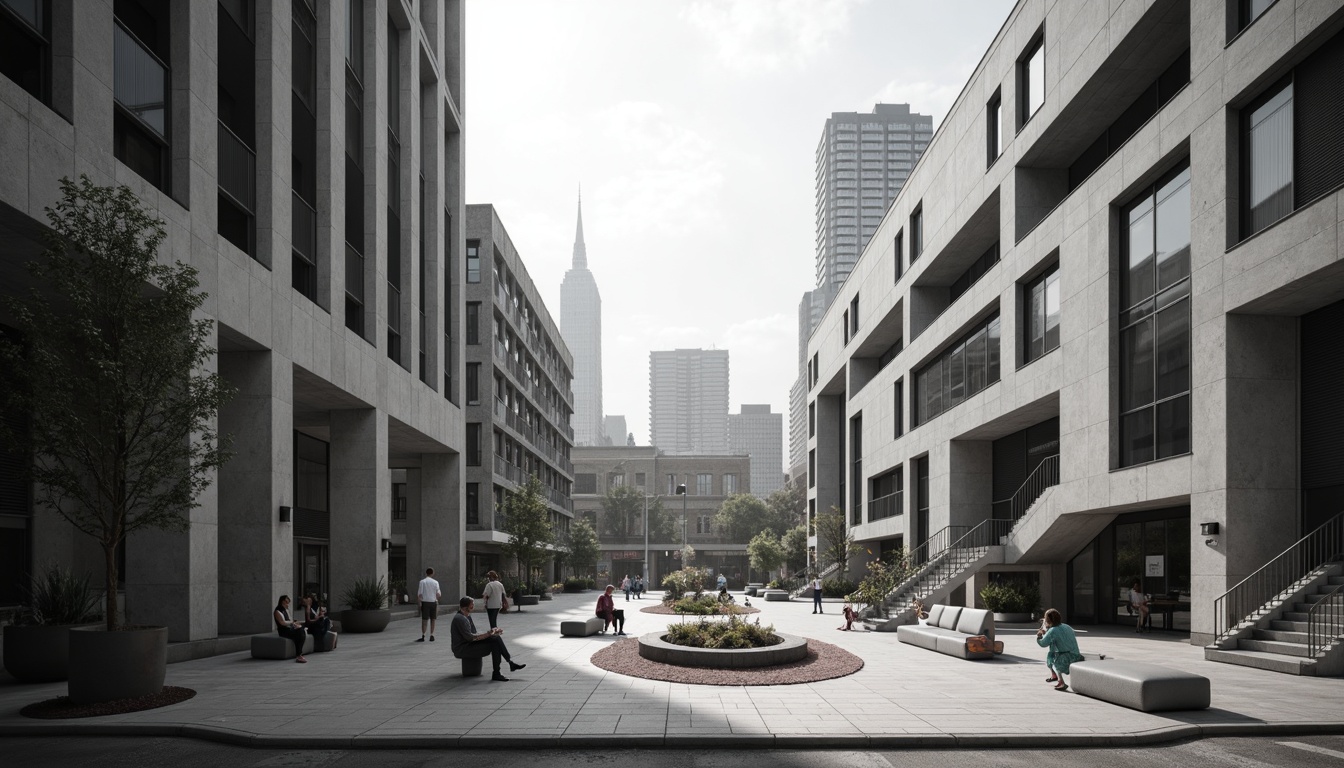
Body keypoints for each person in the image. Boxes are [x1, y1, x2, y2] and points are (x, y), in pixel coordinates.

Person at [450, 597, 525, 682]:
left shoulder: (467, 616)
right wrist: (488, 634)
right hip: (463, 648)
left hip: (468, 644)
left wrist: (491, 633)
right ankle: (499, 671)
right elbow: (470, 637)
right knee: (495, 644)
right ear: (465, 607)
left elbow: (475, 634)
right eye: (472, 604)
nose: (473, 606)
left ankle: (509, 664)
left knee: (495, 638)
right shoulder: (460, 619)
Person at [1036, 608, 1085, 691]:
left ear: (1048, 620)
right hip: (1077, 656)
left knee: (1052, 658)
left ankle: (1061, 682)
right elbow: (1060, 636)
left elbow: (1043, 643)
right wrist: (1048, 632)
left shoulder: (1052, 631)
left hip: (1066, 659)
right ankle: (1054, 675)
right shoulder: (1067, 626)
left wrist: (1039, 636)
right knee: (1053, 653)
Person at [273, 595, 308, 663]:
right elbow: (282, 622)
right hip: (283, 631)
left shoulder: (286, 610)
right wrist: (292, 623)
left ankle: (299, 654)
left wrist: (295, 624)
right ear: (283, 602)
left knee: (301, 630)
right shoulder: (277, 611)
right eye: (287, 602)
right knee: (300, 632)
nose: (288, 604)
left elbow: (290, 620)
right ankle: (299, 655)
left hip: (290, 628)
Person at [416, 567, 441, 642]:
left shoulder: (422, 582)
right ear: (433, 573)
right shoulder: (435, 582)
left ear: (426, 573)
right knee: (433, 619)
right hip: (433, 602)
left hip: (425, 602)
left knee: (424, 620)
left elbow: (420, 594)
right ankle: (432, 635)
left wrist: (419, 603)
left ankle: (423, 635)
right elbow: (438, 594)